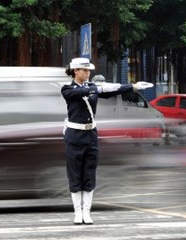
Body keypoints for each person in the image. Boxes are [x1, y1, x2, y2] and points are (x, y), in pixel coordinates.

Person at [61, 57, 153, 225]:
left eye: (89, 70)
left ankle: (87, 212)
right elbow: (76, 93)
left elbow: (112, 90)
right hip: (74, 136)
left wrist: (132, 86)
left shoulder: (92, 87)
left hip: (90, 135)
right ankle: (77, 212)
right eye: (85, 70)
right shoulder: (67, 89)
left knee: (89, 172)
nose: (88, 73)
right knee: (75, 174)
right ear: (76, 71)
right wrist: (94, 89)